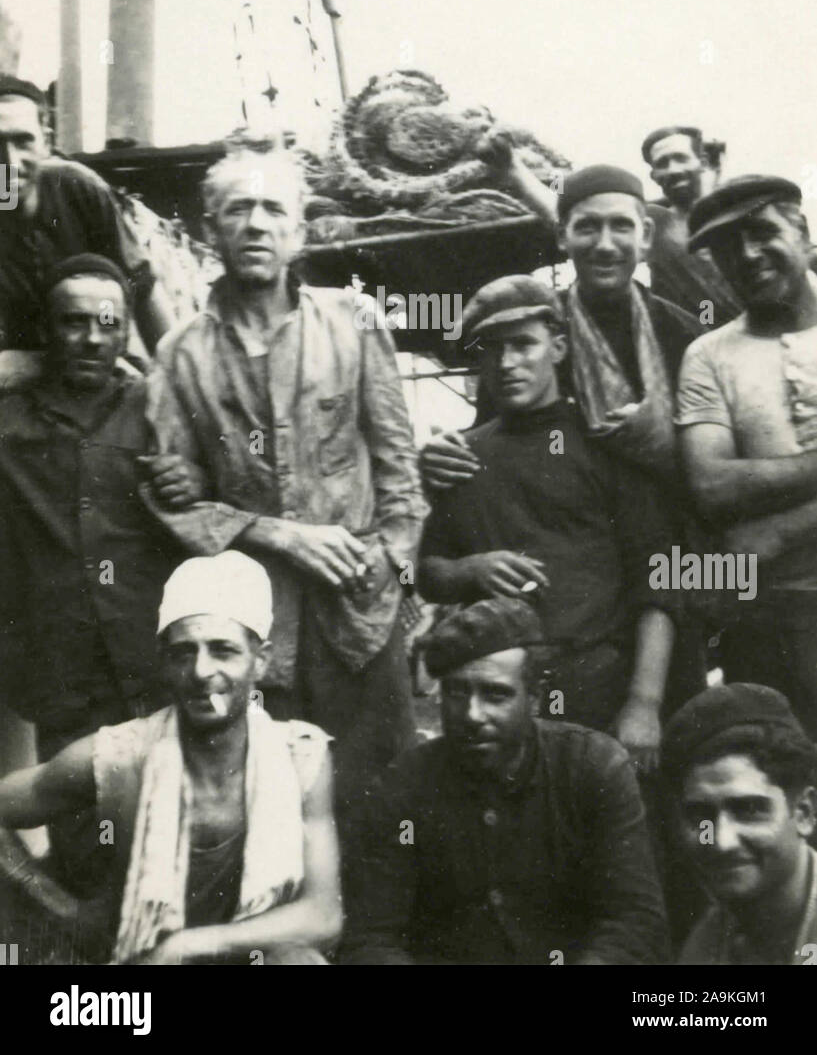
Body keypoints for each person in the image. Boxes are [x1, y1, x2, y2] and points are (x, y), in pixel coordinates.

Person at [141, 142, 427, 828]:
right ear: (210, 229)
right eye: (238, 209)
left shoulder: (352, 323)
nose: (256, 225)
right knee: (274, 804)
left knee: (383, 796)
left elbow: (398, 464)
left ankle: (378, 938)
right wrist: (278, 533)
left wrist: (390, 558)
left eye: (273, 209)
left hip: (361, 611)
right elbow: (167, 498)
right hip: (254, 621)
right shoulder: (181, 354)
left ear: (298, 231)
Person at [421, 165, 707, 716]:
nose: (605, 244)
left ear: (645, 235)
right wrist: (439, 458)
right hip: (559, 620)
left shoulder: (682, 336)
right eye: (587, 227)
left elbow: (711, 472)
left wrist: (664, 448)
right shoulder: (530, 341)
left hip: (667, 574)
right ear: (561, 236)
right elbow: (503, 450)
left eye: (622, 227)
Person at [0, 552, 342, 965]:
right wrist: (51, 900)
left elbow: (322, 915)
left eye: (223, 650)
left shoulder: (300, 757)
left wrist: (189, 944)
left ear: (261, 661)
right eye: (184, 652)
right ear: (165, 662)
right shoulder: (122, 754)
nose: (201, 671)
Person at [419, 274, 680, 765]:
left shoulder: (605, 444)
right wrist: (470, 569)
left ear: (558, 347)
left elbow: (659, 583)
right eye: (491, 349)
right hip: (498, 699)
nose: (507, 363)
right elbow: (429, 572)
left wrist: (644, 704)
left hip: (599, 686)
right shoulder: (463, 456)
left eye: (523, 344)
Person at [0, 254, 198, 893]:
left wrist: (193, 479)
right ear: (46, 331)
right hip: (65, 677)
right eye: (73, 322)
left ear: (124, 332)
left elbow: (225, 486)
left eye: (107, 323)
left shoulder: (161, 412)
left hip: (162, 663)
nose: (90, 338)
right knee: (90, 853)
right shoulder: (8, 423)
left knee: (183, 842)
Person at [341, 598, 669, 965]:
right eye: (456, 692)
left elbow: (634, 922)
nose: (472, 714)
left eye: (496, 694)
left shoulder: (595, 768)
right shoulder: (404, 785)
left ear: (534, 698)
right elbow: (371, 937)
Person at [677, 176, 817, 735]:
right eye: (727, 246)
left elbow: (756, 532)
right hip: (771, 620)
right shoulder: (709, 355)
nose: (748, 255)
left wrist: (784, 529)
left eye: (762, 232)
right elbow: (712, 486)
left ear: (802, 230)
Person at [0, 75, 174, 386]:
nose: (9, 162)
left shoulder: (77, 189)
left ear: (47, 142)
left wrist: (178, 378)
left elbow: (143, 289)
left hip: (101, 364)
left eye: (23, 140)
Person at [662, 682, 817, 965]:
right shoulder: (705, 948)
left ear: (804, 813)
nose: (722, 841)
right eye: (701, 816)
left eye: (749, 810)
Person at [641, 125, 739, 326]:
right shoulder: (654, 223)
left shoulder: (738, 214)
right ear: (654, 176)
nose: (673, 170)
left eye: (681, 158)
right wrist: (556, 177)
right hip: (689, 341)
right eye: (662, 163)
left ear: (702, 162)